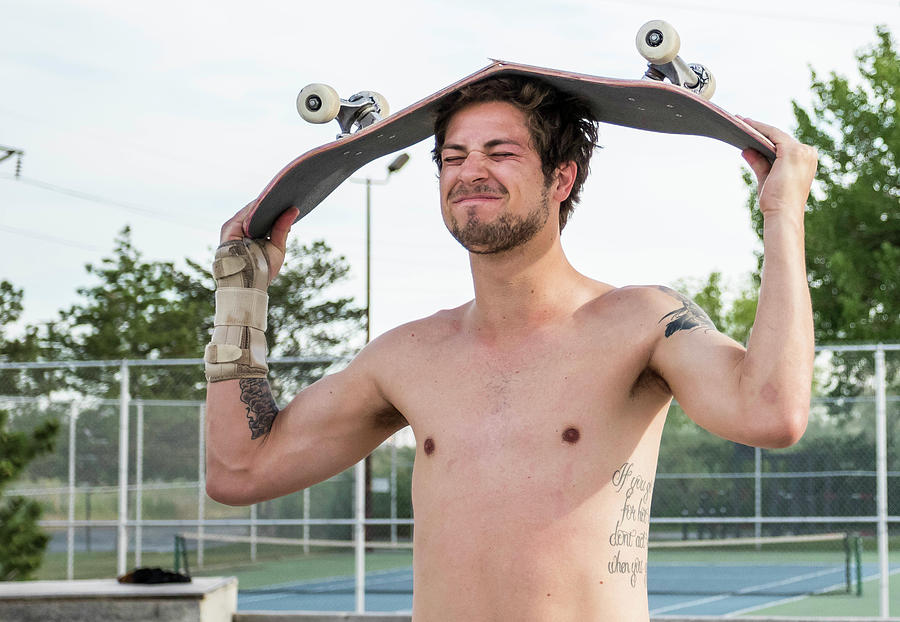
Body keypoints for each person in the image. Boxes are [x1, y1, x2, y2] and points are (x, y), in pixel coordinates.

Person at [204, 76, 818, 621]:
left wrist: (782, 215)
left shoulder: (642, 321)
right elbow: (239, 471)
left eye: (501, 152)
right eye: (453, 157)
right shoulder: (406, 355)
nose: (470, 171)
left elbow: (770, 412)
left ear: (561, 177)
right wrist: (241, 296)